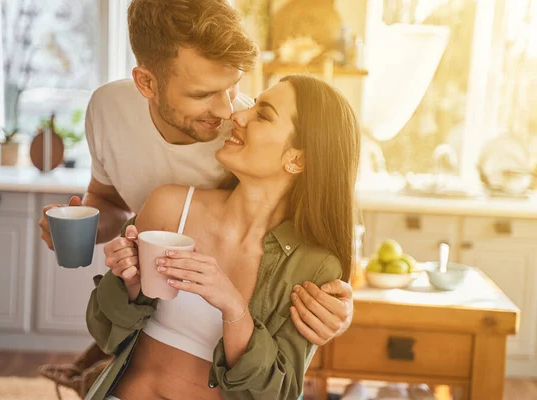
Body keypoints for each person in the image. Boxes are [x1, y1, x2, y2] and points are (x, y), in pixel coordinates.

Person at [37, 0, 354, 396]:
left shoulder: (241, 136)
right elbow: (107, 202)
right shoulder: (110, 113)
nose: (230, 112)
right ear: (146, 83)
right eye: (204, 93)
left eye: (236, 88)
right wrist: (99, 247)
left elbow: (319, 210)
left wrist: (339, 308)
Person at [87, 73, 360, 400]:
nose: (237, 115)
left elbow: (278, 393)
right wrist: (127, 284)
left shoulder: (313, 269)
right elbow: (104, 333)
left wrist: (233, 308)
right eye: (253, 105)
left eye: (263, 114)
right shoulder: (171, 206)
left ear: (297, 159)